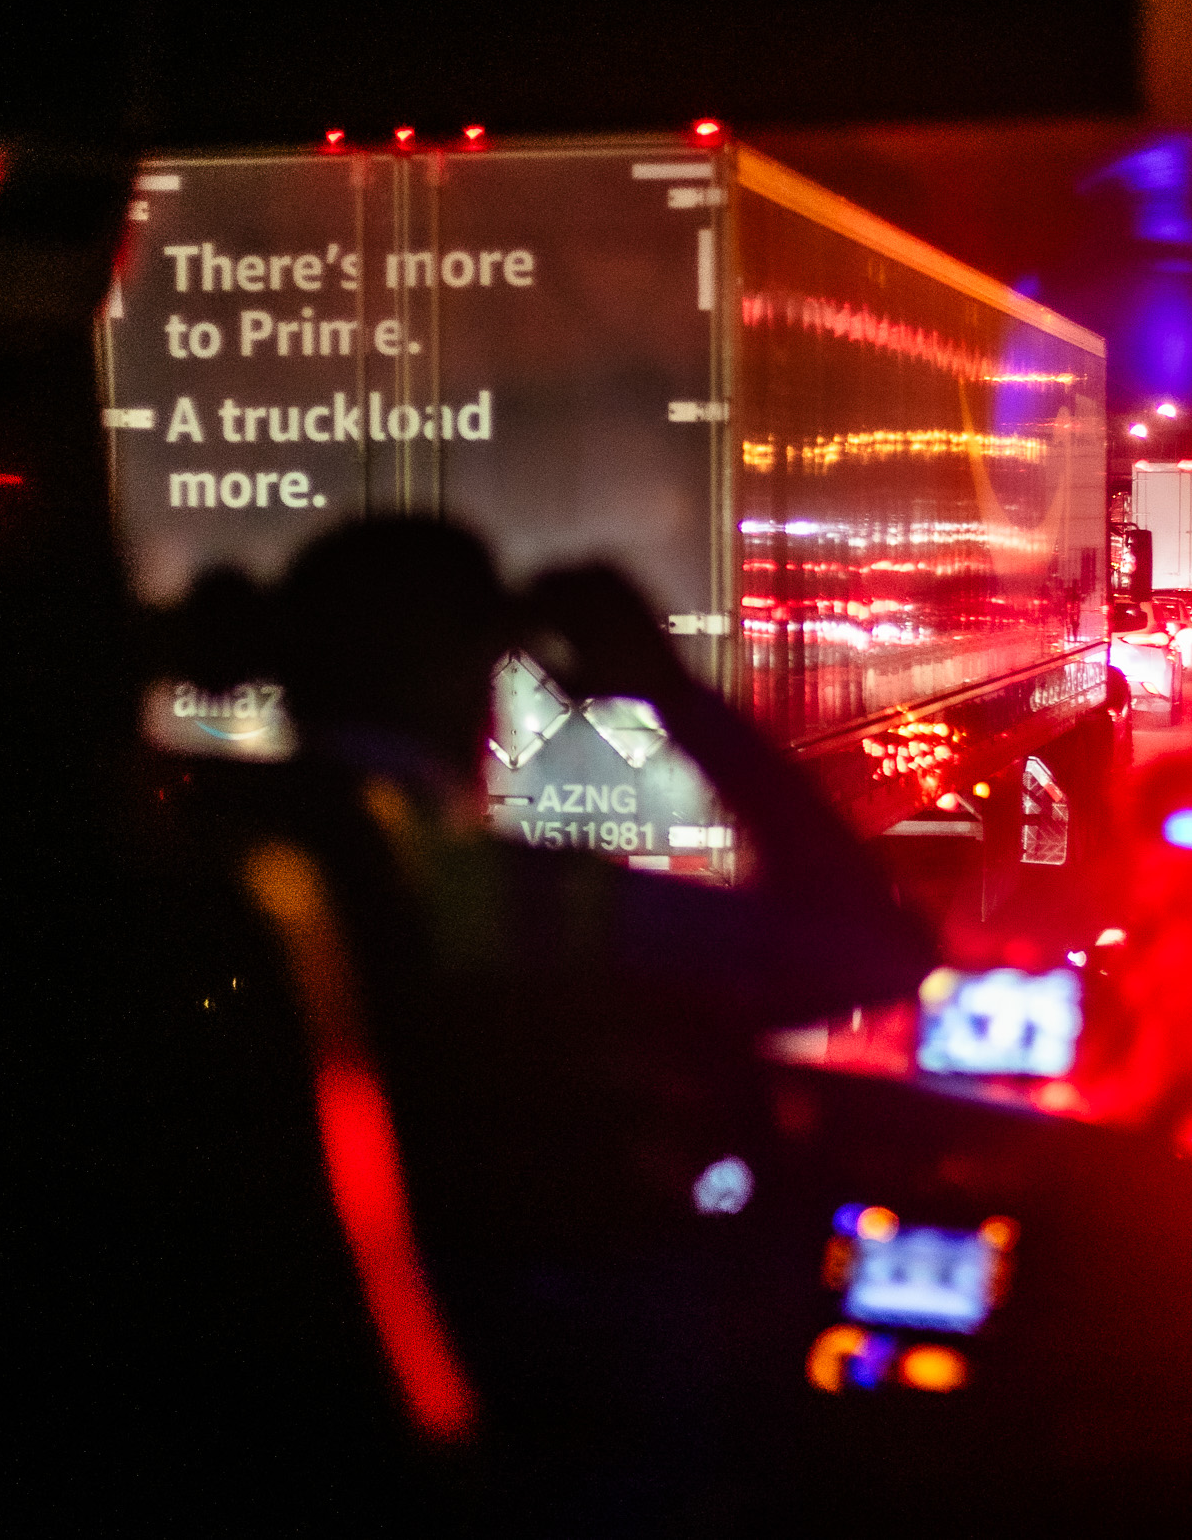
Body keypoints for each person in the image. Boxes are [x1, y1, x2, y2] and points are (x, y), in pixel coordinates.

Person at [161, 517, 937, 1532]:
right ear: (477, 682)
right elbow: (867, 947)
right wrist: (672, 690)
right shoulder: (507, 904)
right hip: (554, 1451)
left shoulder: (171, 880)